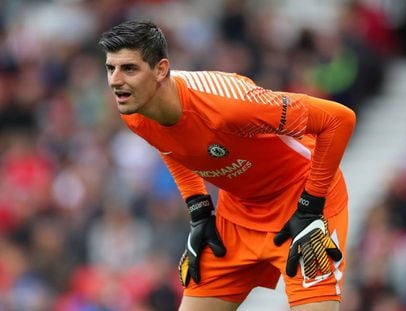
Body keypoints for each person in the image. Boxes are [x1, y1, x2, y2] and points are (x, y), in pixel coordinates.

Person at [98, 20, 356, 311]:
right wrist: (199, 210)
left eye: (129, 68)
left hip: (301, 200)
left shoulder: (228, 104)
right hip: (238, 211)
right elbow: (171, 145)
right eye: (111, 68)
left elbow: (338, 120)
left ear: (160, 69)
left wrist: (311, 205)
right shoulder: (134, 109)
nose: (115, 81)